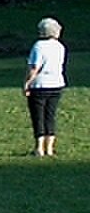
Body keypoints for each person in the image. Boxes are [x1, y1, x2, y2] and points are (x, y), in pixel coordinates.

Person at [24, 17, 66, 157]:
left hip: (40, 85)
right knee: (50, 116)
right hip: (57, 84)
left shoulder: (38, 46)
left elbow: (34, 67)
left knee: (38, 117)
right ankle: (49, 148)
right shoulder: (60, 47)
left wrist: (27, 83)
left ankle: (39, 148)